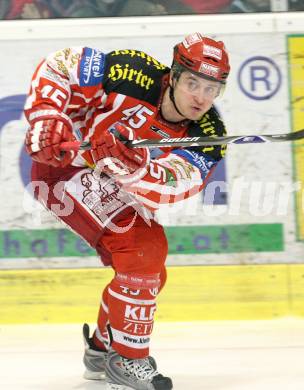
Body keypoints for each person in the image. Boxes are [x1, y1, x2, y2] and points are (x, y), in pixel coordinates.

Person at [23, 32, 230, 390]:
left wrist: (133, 168)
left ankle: (104, 348)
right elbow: (62, 65)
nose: (200, 97)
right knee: (143, 250)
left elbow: (175, 186)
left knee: (148, 275)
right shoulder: (131, 71)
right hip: (64, 170)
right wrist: (46, 115)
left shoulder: (208, 132)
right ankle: (128, 360)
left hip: (115, 184)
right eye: (193, 82)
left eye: (212, 89)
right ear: (174, 75)